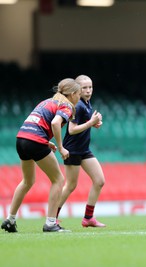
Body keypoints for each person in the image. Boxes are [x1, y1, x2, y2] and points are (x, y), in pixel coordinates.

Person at [1, 78, 81, 233]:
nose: (79, 97)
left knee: (27, 181)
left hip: (22, 139)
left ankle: (10, 219)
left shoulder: (47, 102)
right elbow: (55, 123)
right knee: (58, 179)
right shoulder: (66, 105)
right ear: (72, 94)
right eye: (78, 94)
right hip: (35, 140)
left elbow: (38, 123)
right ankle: (51, 223)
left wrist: (46, 142)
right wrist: (60, 147)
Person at [56, 75, 106, 228]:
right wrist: (91, 122)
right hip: (73, 150)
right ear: (77, 89)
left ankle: (88, 218)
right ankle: (52, 216)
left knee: (99, 181)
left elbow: (83, 124)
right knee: (70, 185)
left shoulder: (86, 103)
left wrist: (93, 124)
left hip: (84, 149)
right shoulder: (77, 105)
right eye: (84, 88)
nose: (88, 90)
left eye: (90, 87)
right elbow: (71, 130)